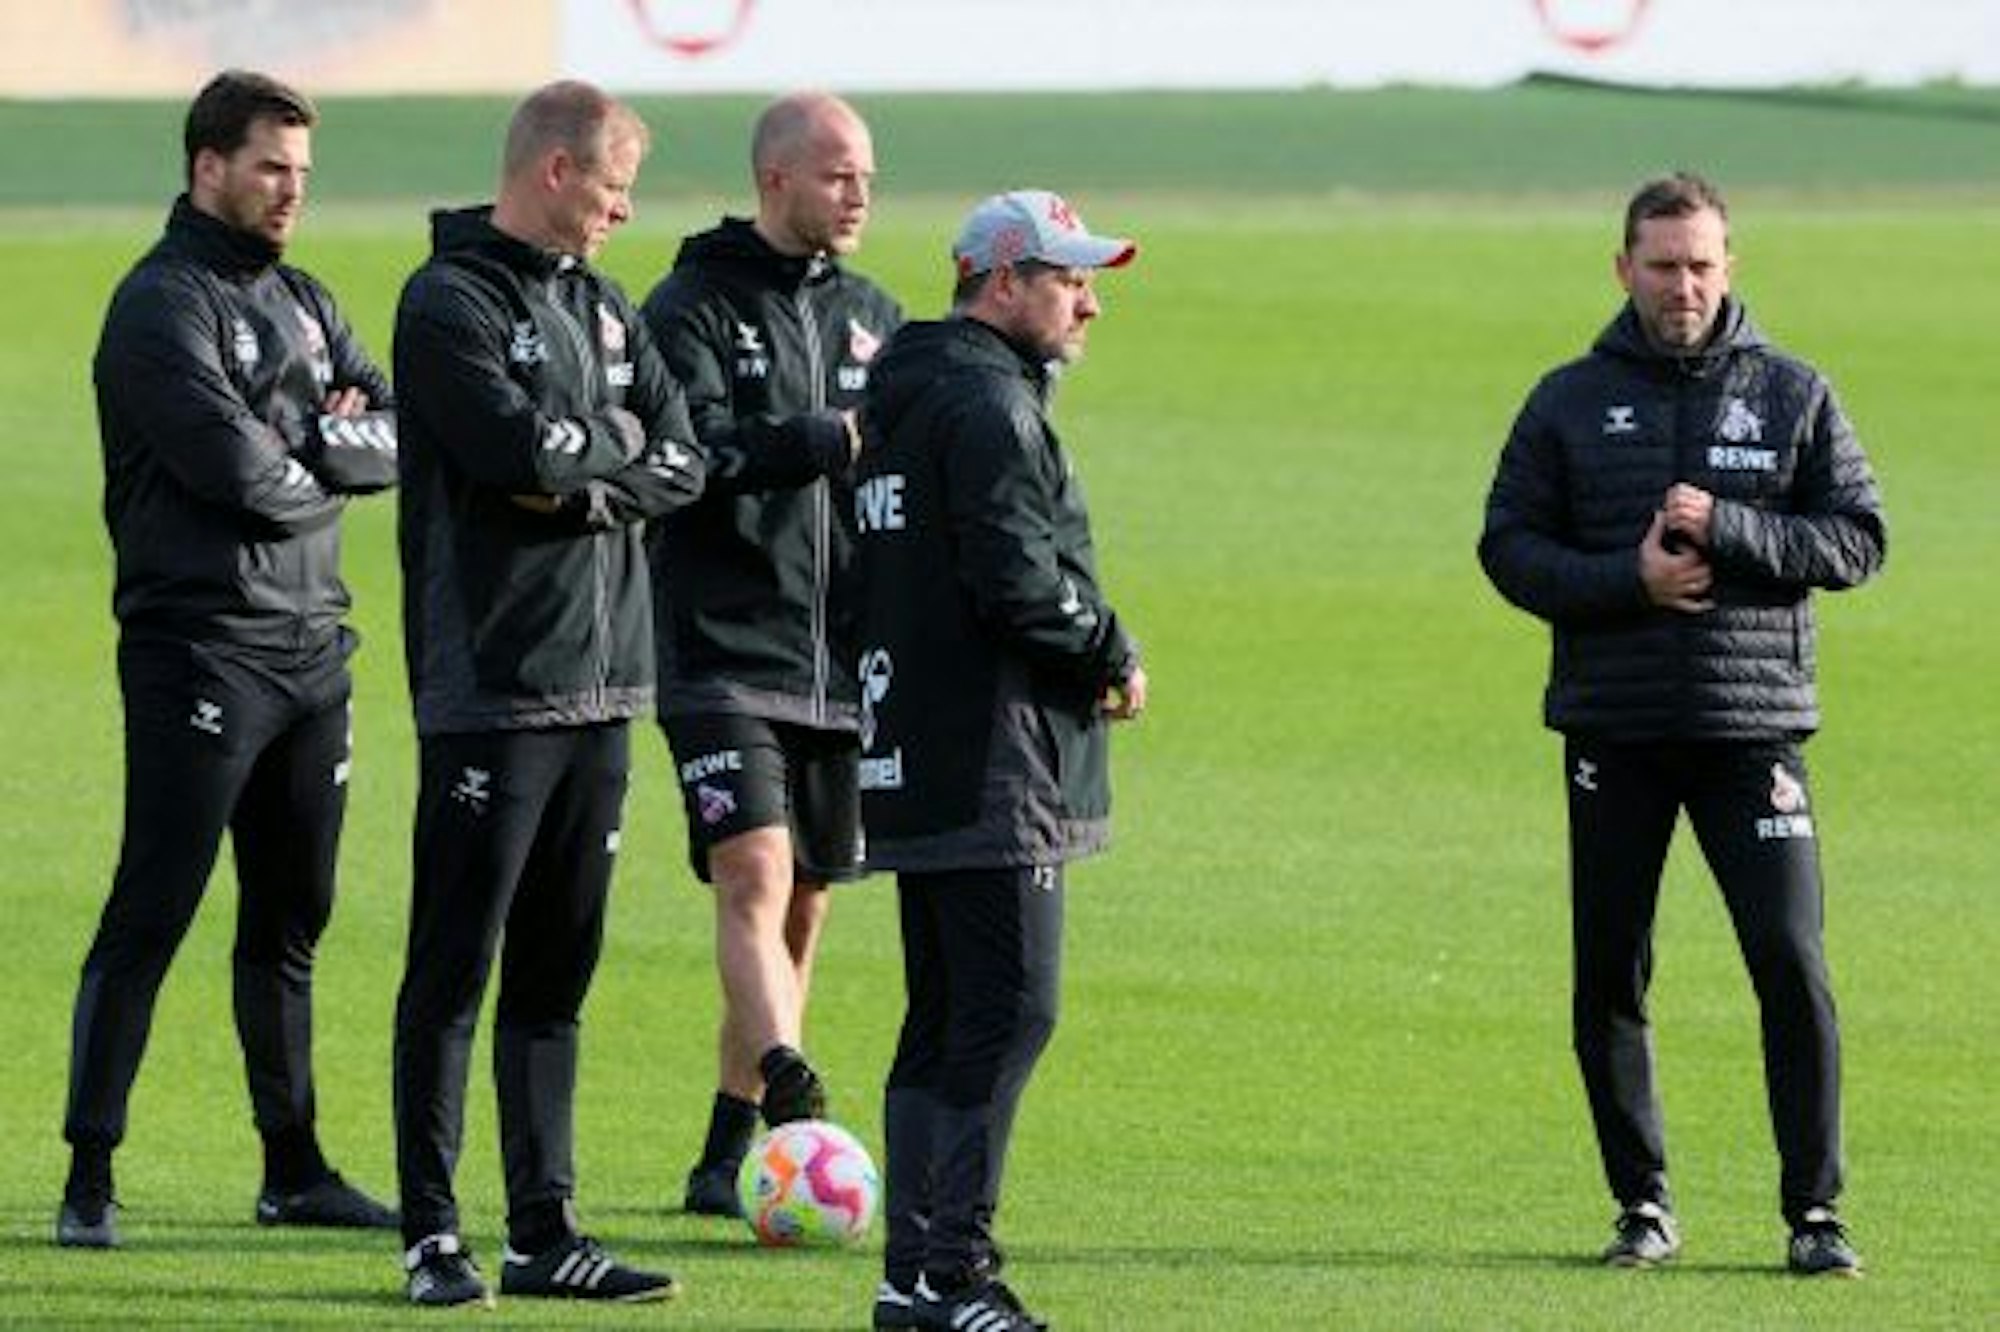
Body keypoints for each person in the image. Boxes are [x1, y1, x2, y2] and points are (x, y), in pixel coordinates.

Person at [1478, 172, 1885, 1278]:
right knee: (1608, 972)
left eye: (1700, 263)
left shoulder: (1793, 392)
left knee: (1789, 963)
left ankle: (1813, 1213)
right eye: (1660, 265)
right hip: (1614, 732)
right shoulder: (1565, 399)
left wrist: (1736, 529)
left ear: (1728, 266)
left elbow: (1855, 542)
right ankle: (1641, 1205)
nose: (1682, 285)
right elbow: (1506, 549)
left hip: (1751, 736)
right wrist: (1629, 580)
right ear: (1622, 270)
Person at [60, 69, 400, 1250]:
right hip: (199, 652)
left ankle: (293, 1166)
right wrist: (320, 440)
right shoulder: (160, 308)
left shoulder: (305, 299)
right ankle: (89, 1173)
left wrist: (306, 436)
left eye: (301, 172)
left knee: (293, 917)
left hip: (315, 653)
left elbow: (392, 436)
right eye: (270, 167)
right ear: (207, 165)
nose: (290, 191)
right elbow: (237, 477)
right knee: (154, 903)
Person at [389, 81, 706, 1308]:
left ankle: (542, 1231)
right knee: (454, 968)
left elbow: (680, 459)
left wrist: (585, 467)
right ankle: (430, 1232)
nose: (625, 209)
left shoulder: (610, 307)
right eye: (616, 183)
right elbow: (513, 453)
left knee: (556, 974)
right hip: (493, 689)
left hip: (605, 685)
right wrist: (596, 451)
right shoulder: (447, 299)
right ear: (557, 171)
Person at [853, 190, 1147, 1332]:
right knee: (1006, 1012)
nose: (1088, 302)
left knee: (941, 1018)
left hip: (913, 750)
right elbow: (1020, 583)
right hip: (994, 759)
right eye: (1069, 278)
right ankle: (953, 1274)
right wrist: (1109, 649)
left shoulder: (902, 398)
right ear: (1002, 280)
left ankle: (907, 1275)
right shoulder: (987, 405)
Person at [638, 91, 903, 1218]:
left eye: (867, 180)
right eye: (838, 174)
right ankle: (792, 1084)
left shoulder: (879, 315)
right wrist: (814, 443)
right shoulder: (689, 305)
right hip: (718, 645)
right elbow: (682, 453)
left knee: (806, 902)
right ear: (775, 179)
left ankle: (722, 1150)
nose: (856, 196)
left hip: (840, 660)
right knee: (753, 870)